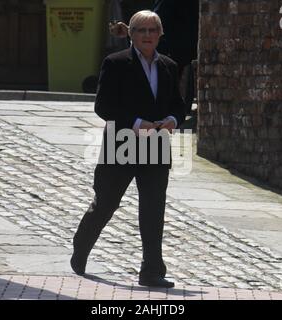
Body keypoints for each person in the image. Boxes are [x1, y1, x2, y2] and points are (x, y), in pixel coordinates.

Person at [71, 10, 186, 288]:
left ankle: (152, 270)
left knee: (153, 208)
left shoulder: (169, 66)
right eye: (141, 30)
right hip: (121, 145)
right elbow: (103, 106)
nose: (147, 35)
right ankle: (81, 247)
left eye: (152, 30)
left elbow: (178, 104)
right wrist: (136, 123)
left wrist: (172, 120)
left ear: (160, 34)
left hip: (156, 147)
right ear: (131, 34)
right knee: (106, 203)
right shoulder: (115, 63)